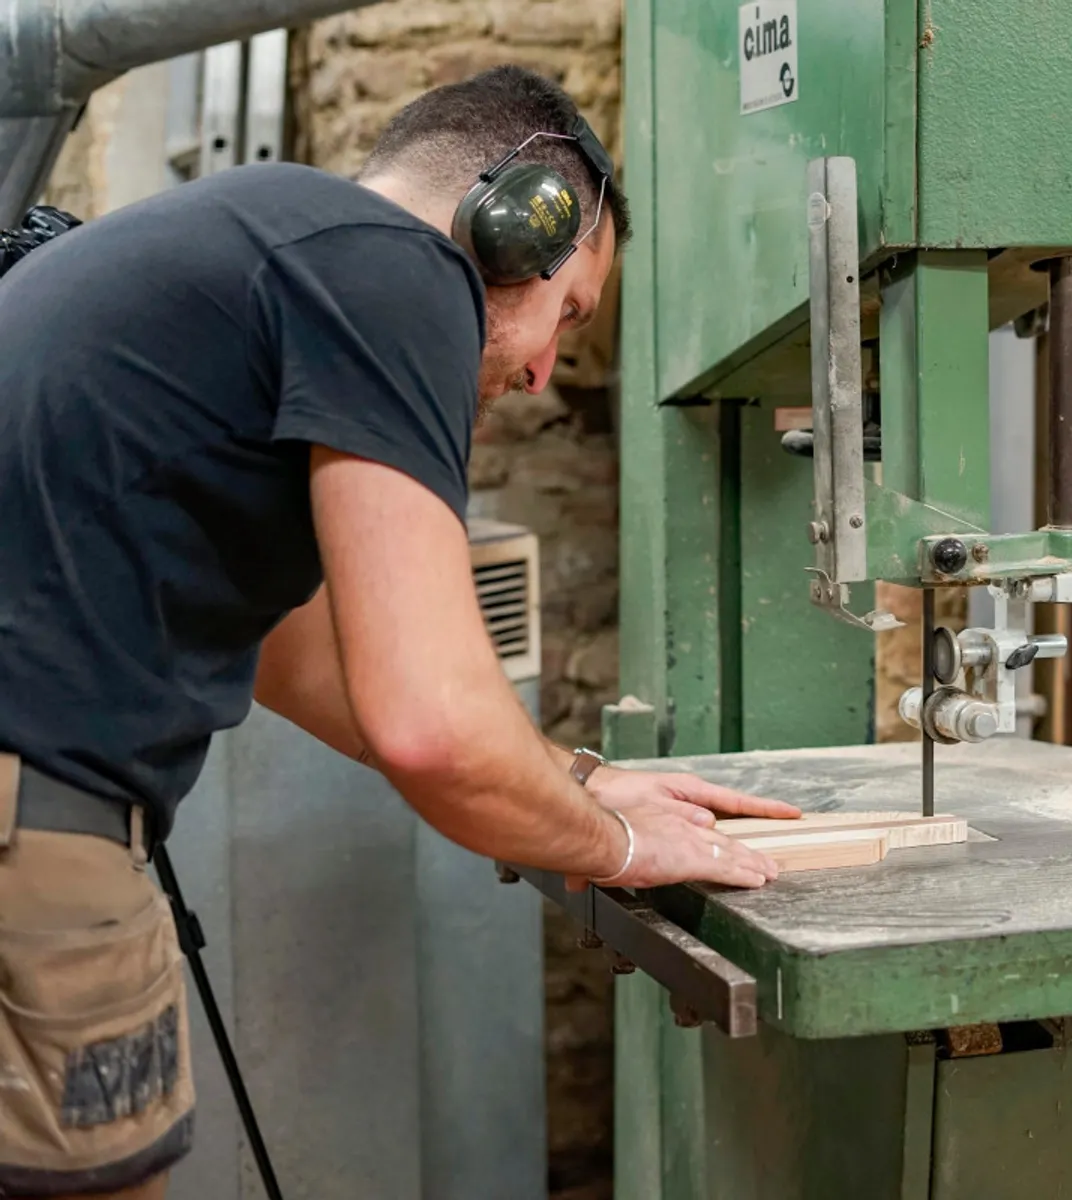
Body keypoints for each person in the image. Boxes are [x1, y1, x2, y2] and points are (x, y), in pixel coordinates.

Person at [0, 65, 793, 1199]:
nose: (541, 372)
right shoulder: (395, 269)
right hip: (31, 827)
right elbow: (431, 730)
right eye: (567, 313)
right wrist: (618, 847)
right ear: (517, 224)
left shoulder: (278, 249)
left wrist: (575, 778)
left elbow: (307, 662)